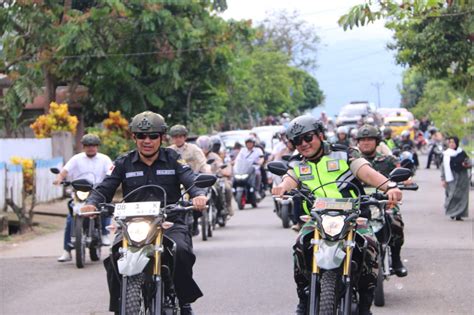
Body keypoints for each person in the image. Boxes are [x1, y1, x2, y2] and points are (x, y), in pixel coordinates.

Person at [271, 115, 402, 315]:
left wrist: (389, 186)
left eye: (308, 137)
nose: (303, 144)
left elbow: (365, 171)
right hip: (317, 219)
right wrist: (281, 187)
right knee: (299, 246)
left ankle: (365, 306)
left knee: (371, 247)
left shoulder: (344, 153)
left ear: (320, 135)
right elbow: (290, 178)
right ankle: (304, 299)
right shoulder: (297, 162)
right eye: (297, 141)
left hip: (353, 216)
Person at [80, 111, 208, 314]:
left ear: (162, 137)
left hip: (169, 222)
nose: (146, 141)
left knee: (181, 251)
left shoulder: (173, 159)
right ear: (134, 137)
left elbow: (191, 180)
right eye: (141, 136)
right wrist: (91, 202)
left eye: (153, 136)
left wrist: (198, 195)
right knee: (114, 254)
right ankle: (120, 305)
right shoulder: (123, 163)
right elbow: (105, 187)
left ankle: (184, 300)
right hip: (132, 224)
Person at [356, 124, 408, 277]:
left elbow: (404, 176)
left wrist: (405, 181)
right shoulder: (351, 161)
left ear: (377, 141)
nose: (366, 142)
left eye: (370, 139)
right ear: (358, 142)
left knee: (395, 220)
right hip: (358, 202)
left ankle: (396, 259)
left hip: (384, 201)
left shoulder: (389, 160)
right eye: (362, 139)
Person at [54, 134, 113, 262]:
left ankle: (104, 233)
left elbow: (110, 173)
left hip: (97, 191)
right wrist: (59, 179)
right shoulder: (76, 159)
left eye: (93, 145)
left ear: (97, 146)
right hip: (79, 192)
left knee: (105, 208)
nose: (90, 148)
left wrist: (107, 183)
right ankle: (67, 250)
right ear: (83, 147)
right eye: (87, 145)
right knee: (70, 219)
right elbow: (65, 171)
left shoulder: (104, 159)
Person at [196, 135, 234, 218]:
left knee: (226, 188)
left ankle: (225, 208)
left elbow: (220, 165)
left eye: (206, 147)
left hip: (214, 179)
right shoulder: (196, 155)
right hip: (199, 180)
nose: (204, 149)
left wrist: (221, 170)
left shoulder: (214, 156)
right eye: (202, 147)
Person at [441, 136, 471, 221]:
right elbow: (443, 167)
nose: (451, 144)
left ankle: (459, 214)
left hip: (462, 177)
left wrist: (466, 164)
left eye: (453, 142)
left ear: (456, 143)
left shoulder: (461, 152)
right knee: (452, 195)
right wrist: (443, 179)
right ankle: (452, 211)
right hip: (450, 178)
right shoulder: (446, 154)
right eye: (450, 142)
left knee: (462, 197)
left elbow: (468, 162)